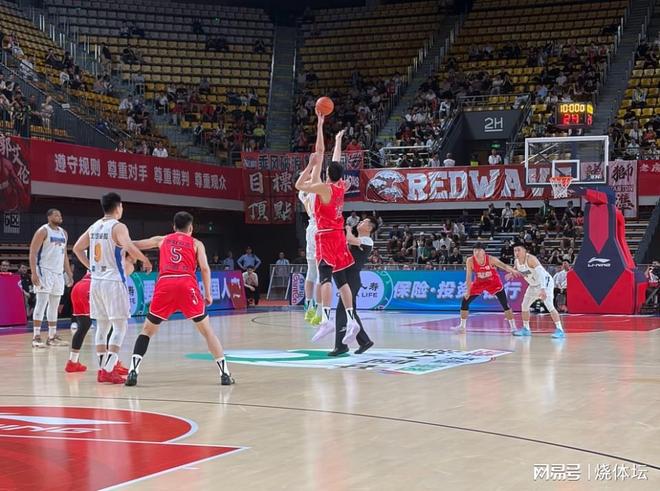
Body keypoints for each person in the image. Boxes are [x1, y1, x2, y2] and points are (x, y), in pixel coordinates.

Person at [125, 212, 234, 386]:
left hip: (165, 285)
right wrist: (208, 293)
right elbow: (205, 269)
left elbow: (132, 244)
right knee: (207, 332)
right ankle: (225, 374)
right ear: (190, 228)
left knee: (146, 331)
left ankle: (133, 371)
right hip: (186, 284)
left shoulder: (162, 239)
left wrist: (121, 244)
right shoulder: (196, 243)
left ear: (174, 227)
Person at [73, 192, 152, 384]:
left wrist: (90, 267)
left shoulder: (94, 226)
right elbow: (129, 247)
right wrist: (145, 259)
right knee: (120, 326)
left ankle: (104, 369)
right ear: (118, 207)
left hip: (96, 281)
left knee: (102, 326)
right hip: (113, 281)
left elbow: (77, 248)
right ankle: (108, 369)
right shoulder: (118, 226)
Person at [295, 109, 360, 344]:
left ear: (326, 174)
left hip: (324, 235)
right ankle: (352, 321)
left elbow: (299, 183)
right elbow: (334, 160)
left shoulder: (322, 188)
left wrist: (320, 127)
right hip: (338, 236)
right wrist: (337, 140)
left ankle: (325, 319)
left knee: (323, 277)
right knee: (341, 280)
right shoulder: (341, 185)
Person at [65, 258, 135, 374]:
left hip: (79, 287)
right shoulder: (122, 260)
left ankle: (72, 362)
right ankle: (112, 364)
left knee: (84, 326)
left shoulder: (101, 253)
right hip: (93, 287)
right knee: (112, 325)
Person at [329, 217, 378, 356]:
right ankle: (364, 341)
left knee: (342, 310)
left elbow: (350, 239)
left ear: (369, 228)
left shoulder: (367, 241)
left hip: (352, 279)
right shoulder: (359, 240)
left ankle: (341, 346)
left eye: (363, 222)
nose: (360, 222)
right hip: (348, 277)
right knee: (350, 311)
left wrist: (348, 229)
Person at [29, 209, 74, 348]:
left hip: (58, 273)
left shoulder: (64, 233)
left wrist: (69, 273)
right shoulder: (43, 231)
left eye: (60, 215)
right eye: (56, 215)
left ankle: (52, 336)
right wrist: (34, 272)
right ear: (49, 217)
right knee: (41, 303)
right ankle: (36, 337)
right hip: (44, 271)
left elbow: (64, 255)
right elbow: (33, 252)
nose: (59, 217)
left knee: (54, 305)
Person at [456, 243, 520, 333]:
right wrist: (468, 290)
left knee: (505, 304)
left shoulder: (490, 259)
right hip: (479, 283)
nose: (477, 253)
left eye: (479, 250)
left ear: (484, 252)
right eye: (475, 251)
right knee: (465, 301)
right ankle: (462, 326)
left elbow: (504, 266)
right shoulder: (470, 260)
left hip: (493, 282)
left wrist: (513, 271)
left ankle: (513, 327)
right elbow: (468, 276)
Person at [510, 241, 565, 338]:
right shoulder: (516, 261)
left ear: (525, 251)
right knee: (524, 305)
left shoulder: (531, 259)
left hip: (545, 283)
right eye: (515, 250)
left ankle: (560, 330)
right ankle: (526, 329)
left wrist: (543, 289)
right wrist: (512, 273)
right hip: (533, 285)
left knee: (549, 306)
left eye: (518, 250)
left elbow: (542, 274)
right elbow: (518, 269)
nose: (516, 252)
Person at [295, 178, 322, 325]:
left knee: (311, 272)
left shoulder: (303, 194)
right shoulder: (314, 190)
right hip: (319, 228)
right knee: (320, 272)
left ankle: (309, 304)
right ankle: (319, 309)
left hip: (311, 228)